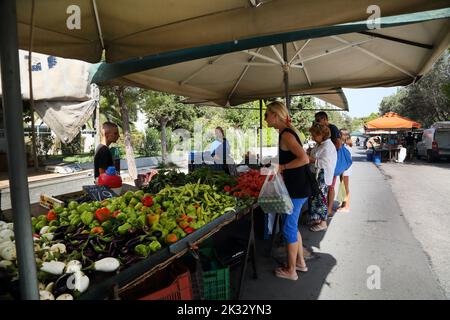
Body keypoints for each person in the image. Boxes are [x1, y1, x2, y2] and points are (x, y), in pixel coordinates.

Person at [265, 101, 311, 281]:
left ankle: (291, 270)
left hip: (297, 188)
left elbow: (304, 159)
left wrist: (282, 166)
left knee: (289, 228)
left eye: (266, 114)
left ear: (275, 115)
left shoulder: (286, 134)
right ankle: (300, 263)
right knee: (292, 226)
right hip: (297, 187)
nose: (265, 118)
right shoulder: (285, 133)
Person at [308, 123, 337, 232]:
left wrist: (311, 160)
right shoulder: (320, 144)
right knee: (316, 198)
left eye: (315, 135)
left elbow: (326, 163)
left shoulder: (327, 146)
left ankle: (323, 222)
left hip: (322, 176)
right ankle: (317, 219)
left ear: (322, 134)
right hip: (317, 175)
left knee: (321, 199)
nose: (313, 137)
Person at [314, 111, 341, 215]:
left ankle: (328, 210)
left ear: (325, 119)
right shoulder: (321, 129)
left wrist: (325, 147)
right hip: (326, 162)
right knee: (326, 187)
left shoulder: (332, 128)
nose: (317, 122)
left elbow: (338, 145)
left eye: (318, 120)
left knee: (330, 186)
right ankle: (323, 210)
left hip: (331, 162)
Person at [337, 129, 352, 213]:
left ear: (345, 136)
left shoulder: (346, 147)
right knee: (343, 186)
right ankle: (344, 203)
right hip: (344, 169)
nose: (338, 135)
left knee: (346, 187)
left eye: (340, 134)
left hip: (346, 169)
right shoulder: (345, 145)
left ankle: (347, 207)